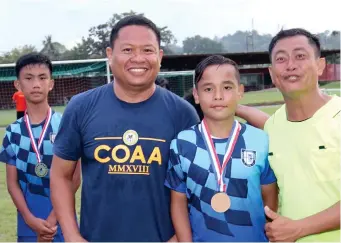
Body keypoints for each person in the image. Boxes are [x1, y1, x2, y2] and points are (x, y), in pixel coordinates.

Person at [50, 15, 199, 242]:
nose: (138, 58)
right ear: (110, 55)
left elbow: (196, 186)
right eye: (127, 50)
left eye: (147, 50)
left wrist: (178, 238)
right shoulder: (81, 107)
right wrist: (71, 236)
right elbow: (61, 175)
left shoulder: (183, 113)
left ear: (159, 56)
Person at [239, 28, 340, 242]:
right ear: (272, 73)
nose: (291, 65)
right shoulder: (272, 128)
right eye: (281, 59)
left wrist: (299, 228)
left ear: (320, 65)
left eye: (300, 56)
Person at [165, 55, 278, 242]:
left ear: (240, 91)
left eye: (227, 87)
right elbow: (178, 202)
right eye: (208, 89)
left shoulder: (260, 140)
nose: (218, 96)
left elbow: (270, 196)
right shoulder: (182, 143)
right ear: (196, 95)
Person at [0, 53, 81, 242]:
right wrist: (30, 219)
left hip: (63, 221)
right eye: (28, 78)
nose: (36, 84)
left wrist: (53, 219)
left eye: (42, 77)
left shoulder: (66, 125)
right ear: (18, 85)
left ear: (51, 83)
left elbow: (75, 178)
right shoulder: (13, 132)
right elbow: (12, 184)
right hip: (29, 223)